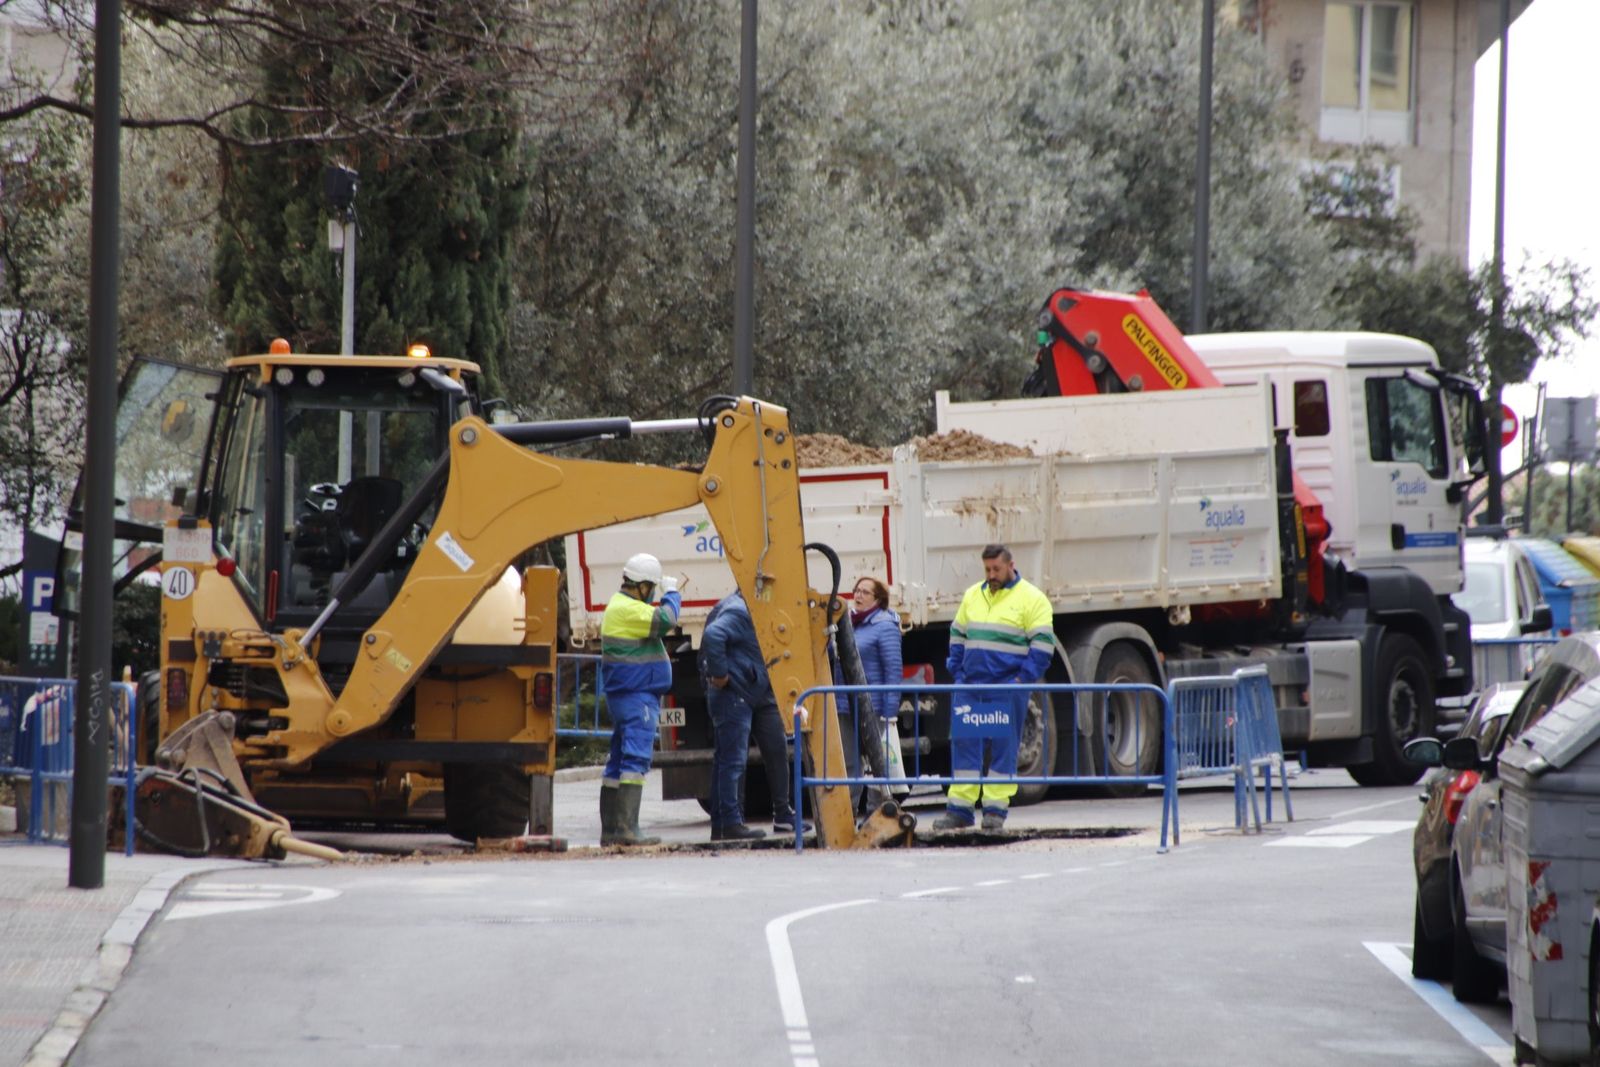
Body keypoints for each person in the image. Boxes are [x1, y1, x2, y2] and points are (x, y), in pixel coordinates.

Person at [936, 544, 1053, 831]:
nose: (991, 575)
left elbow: (1042, 646)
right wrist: (958, 671)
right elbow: (957, 633)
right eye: (987, 569)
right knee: (965, 748)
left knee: (1003, 750)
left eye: (996, 569)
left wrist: (1021, 681)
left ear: (1011, 565)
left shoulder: (1032, 599)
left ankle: (995, 812)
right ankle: (960, 810)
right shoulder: (974, 594)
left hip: (1005, 687)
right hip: (971, 686)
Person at [598, 553, 681, 847]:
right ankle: (628, 829)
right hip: (637, 696)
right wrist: (672, 593)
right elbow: (666, 620)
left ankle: (612, 830)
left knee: (618, 760)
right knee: (635, 759)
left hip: (627, 695)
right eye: (654, 588)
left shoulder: (618, 606)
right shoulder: (628, 609)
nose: (654, 594)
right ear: (643, 586)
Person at [700, 589, 784, 841]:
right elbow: (714, 635)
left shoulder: (738, 605)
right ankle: (731, 824)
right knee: (732, 761)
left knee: (727, 760)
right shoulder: (740, 609)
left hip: (742, 691)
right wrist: (720, 674)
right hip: (733, 693)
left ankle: (722, 825)